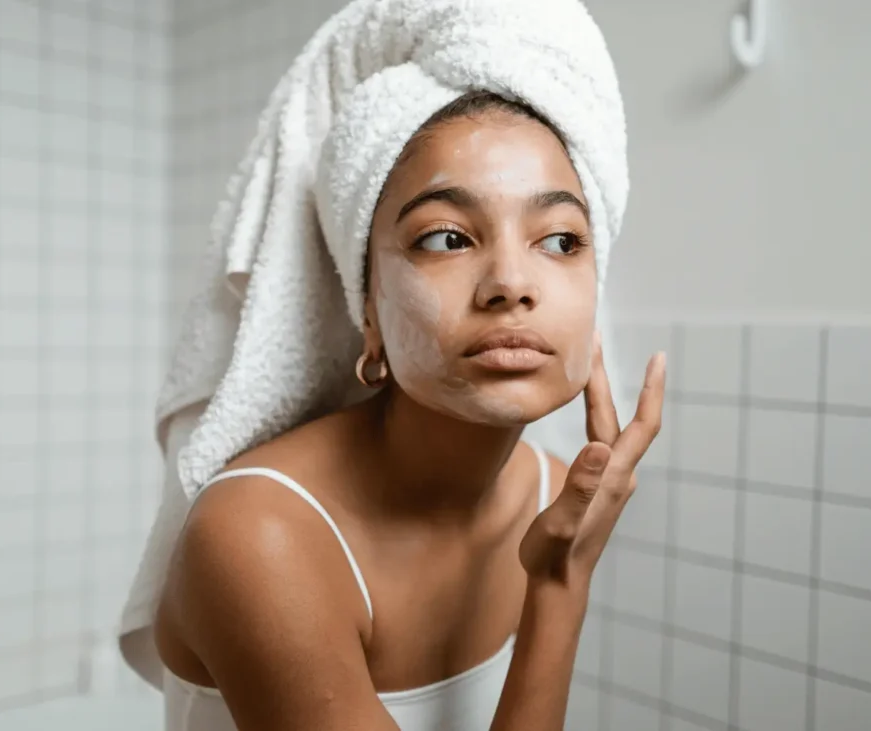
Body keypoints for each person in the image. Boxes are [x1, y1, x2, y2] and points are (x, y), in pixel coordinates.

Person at [149, 88, 665, 731]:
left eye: (560, 240)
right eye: (447, 238)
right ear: (368, 310)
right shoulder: (259, 536)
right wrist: (559, 586)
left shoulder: (558, 495)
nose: (512, 281)